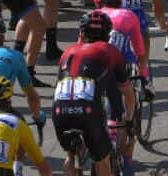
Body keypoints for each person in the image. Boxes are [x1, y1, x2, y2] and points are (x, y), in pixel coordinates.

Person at [53, 11, 135, 176]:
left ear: (81, 33)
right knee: (102, 160)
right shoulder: (110, 50)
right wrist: (129, 121)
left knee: (70, 154)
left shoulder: (67, 52)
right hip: (88, 111)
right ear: (107, 34)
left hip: (59, 110)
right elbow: (127, 93)